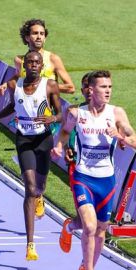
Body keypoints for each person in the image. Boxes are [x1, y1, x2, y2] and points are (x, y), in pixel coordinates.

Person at [0, 51, 61, 261]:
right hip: (24, 140)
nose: (33, 65)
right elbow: (12, 107)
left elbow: (61, 113)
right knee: (29, 189)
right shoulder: (16, 86)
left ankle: (40, 195)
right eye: (29, 62)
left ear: (42, 66)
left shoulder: (50, 86)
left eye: (37, 62)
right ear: (24, 65)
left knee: (39, 188)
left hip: (43, 140)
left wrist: (53, 119)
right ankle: (30, 244)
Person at [51, 70, 136, 270]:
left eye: (110, 87)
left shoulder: (116, 113)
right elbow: (64, 131)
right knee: (89, 226)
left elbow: (133, 140)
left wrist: (120, 136)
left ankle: (86, 265)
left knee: (100, 231)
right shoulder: (76, 113)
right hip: (83, 178)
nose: (108, 91)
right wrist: (59, 146)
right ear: (91, 89)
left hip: (106, 181)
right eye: (103, 87)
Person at [59, 73, 92, 254]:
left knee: (94, 224)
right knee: (87, 222)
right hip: (78, 170)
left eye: (92, 85)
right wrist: (65, 149)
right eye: (85, 86)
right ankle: (85, 264)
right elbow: (65, 134)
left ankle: (70, 226)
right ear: (82, 90)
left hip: (103, 174)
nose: (89, 90)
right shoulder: (73, 112)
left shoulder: (110, 113)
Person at [0, 18, 74, 95]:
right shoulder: (19, 60)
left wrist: (41, 85)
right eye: (35, 33)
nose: (39, 37)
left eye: (42, 34)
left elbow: (70, 88)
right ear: (27, 37)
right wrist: (7, 84)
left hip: (46, 106)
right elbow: (18, 76)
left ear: (45, 38)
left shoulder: (53, 59)